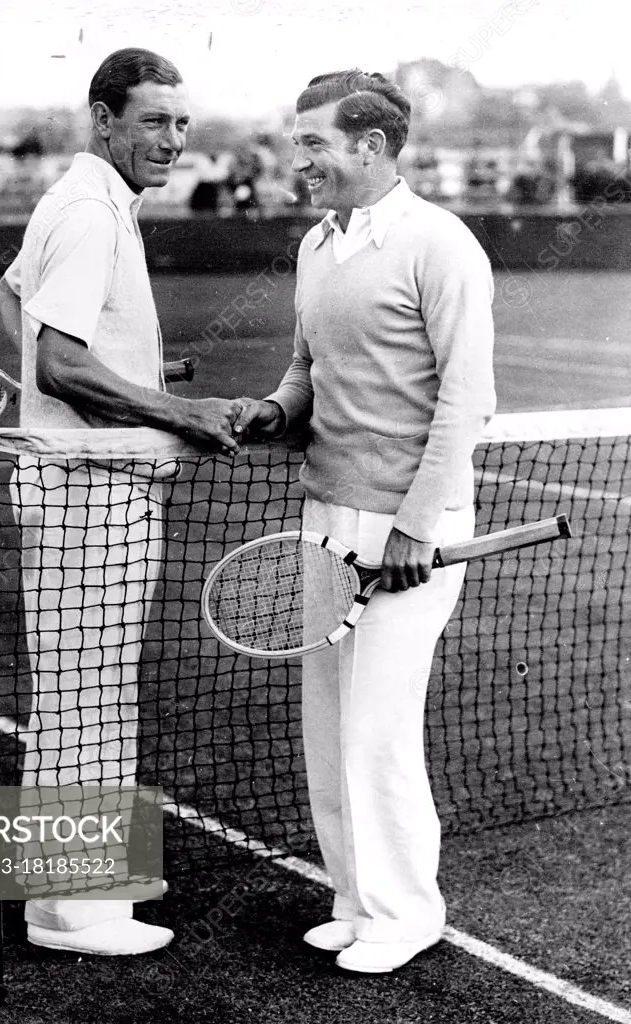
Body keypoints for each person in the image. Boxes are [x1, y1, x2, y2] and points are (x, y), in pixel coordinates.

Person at [234, 69, 496, 974]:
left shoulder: (440, 244)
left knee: (377, 730)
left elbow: (466, 401)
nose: (295, 158)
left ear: (369, 147)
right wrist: (275, 409)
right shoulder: (317, 246)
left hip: (408, 526)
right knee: (330, 723)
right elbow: (306, 369)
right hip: (324, 514)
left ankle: (404, 913)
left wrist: (417, 528)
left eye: (311, 142)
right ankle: (353, 899)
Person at [0, 48, 244, 958]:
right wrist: (175, 408)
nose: (172, 141)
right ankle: (73, 913)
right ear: (103, 119)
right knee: (86, 703)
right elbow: (57, 360)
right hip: (89, 498)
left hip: (89, 490)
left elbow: (15, 300)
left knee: (83, 697)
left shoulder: (85, 198)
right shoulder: (93, 211)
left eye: (181, 123)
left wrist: (131, 375)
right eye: (151, 121)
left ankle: (71, 899)